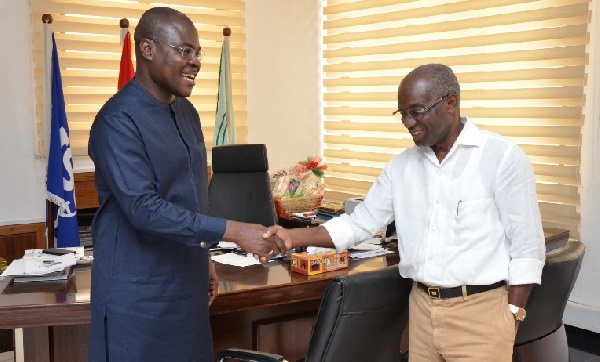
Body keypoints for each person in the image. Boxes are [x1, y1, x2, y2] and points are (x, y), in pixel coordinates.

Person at [264, 64, 546, 361]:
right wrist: (290, 236)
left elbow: (528, 247)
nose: (408, 122)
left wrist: (512, 314)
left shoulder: (501, 157)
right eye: (403, 114)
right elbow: (358, 224)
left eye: (417, 111)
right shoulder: (400, 167)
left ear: (451, 103)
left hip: (481, 314)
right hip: (422, 311)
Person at [87, 7, 285, 361]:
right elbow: (143, 208)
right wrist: (233, 230)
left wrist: (204, 256)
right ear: (148, 50)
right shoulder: (116, 121)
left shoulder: (188, 113)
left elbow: (192, 195)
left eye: (198, 53)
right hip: (137, 295)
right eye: (185, 51)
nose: (195, 62)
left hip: (188, 287)